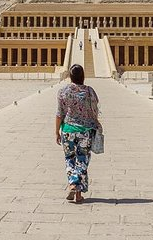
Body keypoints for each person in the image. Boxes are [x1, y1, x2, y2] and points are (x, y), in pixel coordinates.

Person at [55, 64, 101, 203]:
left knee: (70, 159)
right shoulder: (89, 91)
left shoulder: (63, 91)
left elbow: (59, 114)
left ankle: (75, 189)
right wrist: (96, 123)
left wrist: (56, 131)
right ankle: (76, 187)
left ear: (70, 77)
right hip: (85, 132)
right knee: (82, 161)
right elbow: (95, 109)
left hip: (68, 130)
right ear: (83, 76)